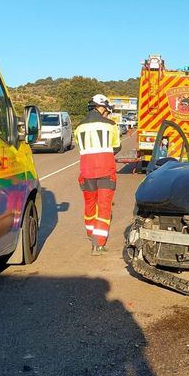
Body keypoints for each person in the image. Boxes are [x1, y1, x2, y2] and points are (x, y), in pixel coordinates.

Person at [74, 94, 121, 255]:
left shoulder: (78, 127)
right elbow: (116, 146)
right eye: (107, 111)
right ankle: (98, 244)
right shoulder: (111, 125)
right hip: (106, 170)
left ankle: (90, 233)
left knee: (90, 204)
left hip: (86, 171)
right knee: (104, 206)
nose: (107, 114)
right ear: (102, 108)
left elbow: (81, 148)